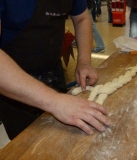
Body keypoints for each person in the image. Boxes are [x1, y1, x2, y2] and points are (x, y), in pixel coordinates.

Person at [0, 0, 110, 140]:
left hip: (53, 72)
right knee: (30, 145)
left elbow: (81, 18)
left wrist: (84, 62)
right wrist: (55, 101)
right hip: (13, 82)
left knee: (62, 139)